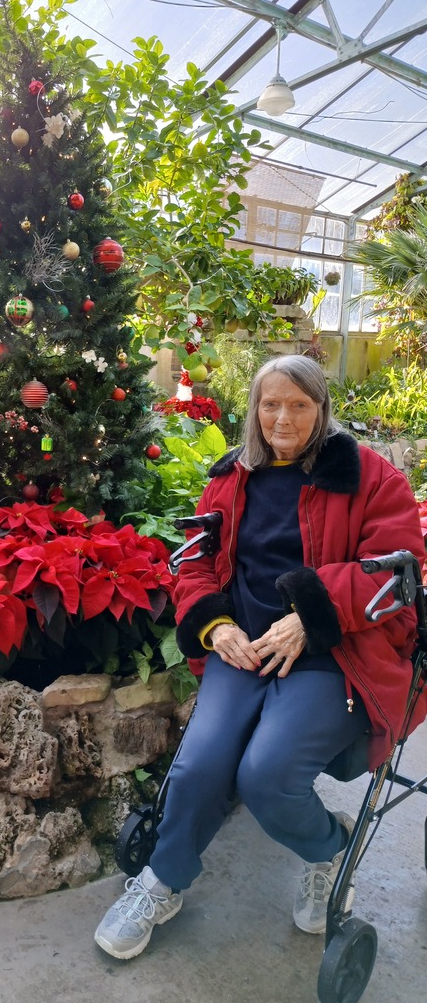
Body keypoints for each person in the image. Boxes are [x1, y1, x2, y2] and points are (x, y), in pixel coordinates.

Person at [95, 354, 426, 960]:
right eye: (271, 404)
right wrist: (215, 625)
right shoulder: (231, 476)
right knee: (197, 767)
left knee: (268, 777)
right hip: (243, 646)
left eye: (299, 405)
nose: (283, 418)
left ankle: (328, 850)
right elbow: (195, 562)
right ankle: (162, 882)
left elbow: (394, 572)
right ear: (254, 409)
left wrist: (311, 617)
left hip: (332, 652)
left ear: (321, 409)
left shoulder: (371, 478)